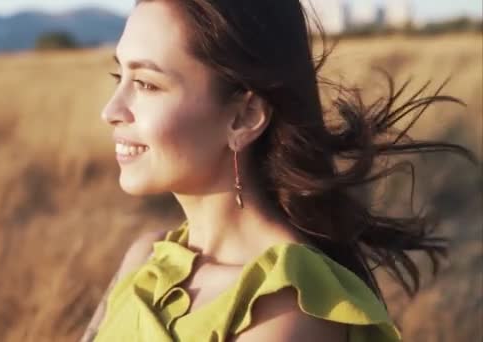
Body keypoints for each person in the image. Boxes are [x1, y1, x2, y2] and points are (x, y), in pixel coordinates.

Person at [81, 0, 476, 341]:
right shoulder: (145, 259)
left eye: (147, 84)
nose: (110, 111)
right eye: (121, 77)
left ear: (245, 116)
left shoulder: (289, 308)